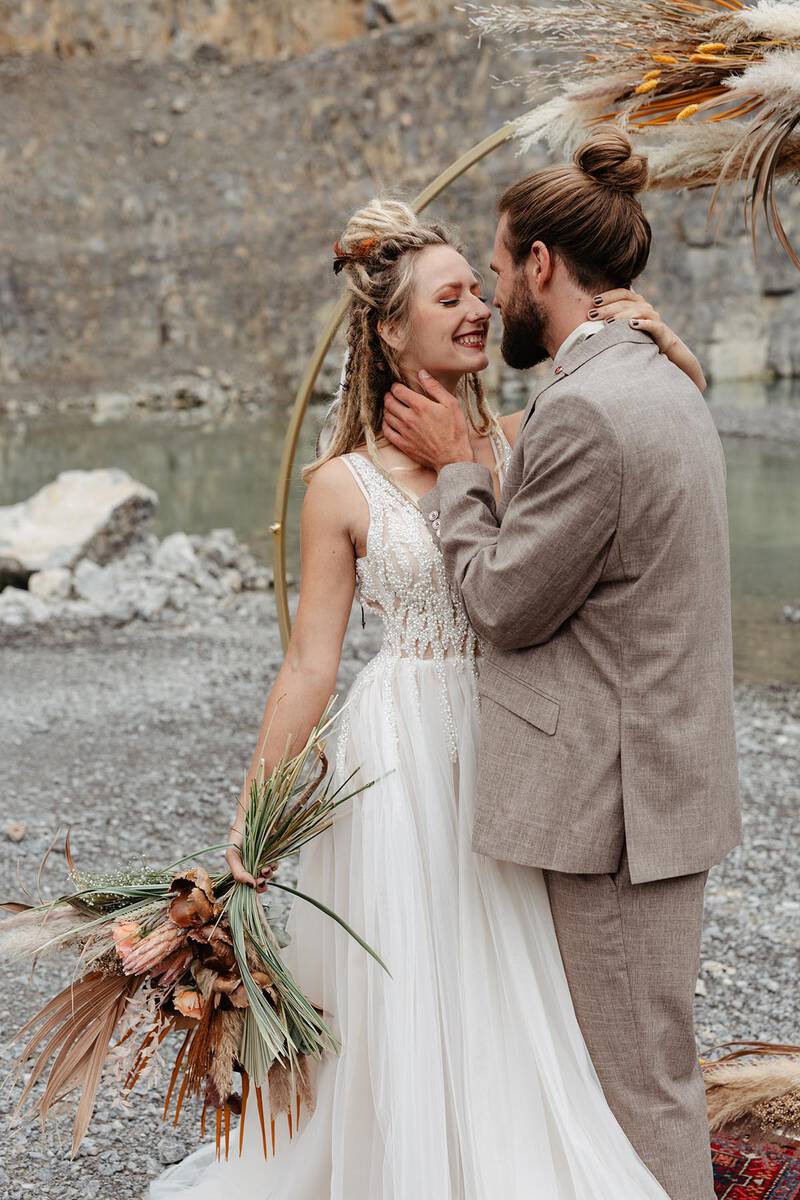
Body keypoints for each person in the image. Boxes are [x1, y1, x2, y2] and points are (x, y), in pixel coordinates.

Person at [149, 132, 714, 1200]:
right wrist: (254, 808)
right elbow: (309, 662)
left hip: (517, 743)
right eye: (450, 295)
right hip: (400, 751)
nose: (479, 310)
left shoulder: (522, 436)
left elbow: (625, 465)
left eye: (481, 288)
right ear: (391, 324)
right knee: (407, 984)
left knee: (521, 988)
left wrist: (656, 338)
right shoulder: (339, 487)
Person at [381, 129, 742, 1200]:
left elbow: (500, 604)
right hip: (656, 786)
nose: (490, 297)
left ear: (540, 263)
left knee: (638, 1090)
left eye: (494, 268)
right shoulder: (661, 375)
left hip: (616, 809)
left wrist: (455, 473)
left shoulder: (583, 407)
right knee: (630, 1074)